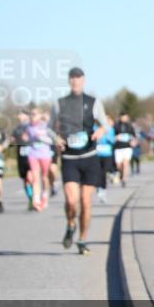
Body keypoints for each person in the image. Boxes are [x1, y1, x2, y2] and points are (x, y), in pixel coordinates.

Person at [50, 67, 109, 255]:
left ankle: (82, 239)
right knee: (71, 200)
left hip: (89, 157)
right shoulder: (60, 103)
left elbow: (105, 124)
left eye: (79, 78)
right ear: (69, 81)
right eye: (72, 78)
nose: (75, 81)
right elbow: (49, 128)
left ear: (84, 80)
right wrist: (56, 139)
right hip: (69, 158)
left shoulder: (93, 102)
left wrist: (101, 131)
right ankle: (70, 224)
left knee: (86, 201)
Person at [25, 107, 57, 211]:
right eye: (31, 114)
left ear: (39, 115)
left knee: (44, 177)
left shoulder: (46, 126)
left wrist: (42, 138)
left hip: (44, 154)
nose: (32, 116)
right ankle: (36, 200)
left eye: (34, 114)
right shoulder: (28, 127)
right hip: (33, 154)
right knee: (35, 178)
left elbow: (53, 140)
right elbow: (26, 138)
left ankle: (45, 195)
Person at [10, 110, 35, 210]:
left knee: (30, 178)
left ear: (26, 115)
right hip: (21, 157)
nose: (19, 116)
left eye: (21, 114)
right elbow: (12, 141)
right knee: (25, 180)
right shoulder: (17, 129)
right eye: (18, 114)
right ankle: (30, 198)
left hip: (31, 156)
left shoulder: (31, 126)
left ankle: (34, 198)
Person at [113, 113, 137, 187]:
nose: (124, 119)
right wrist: (115, 137)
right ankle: (121, 174)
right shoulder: (116, 126)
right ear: (120, 117)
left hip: (127, 147)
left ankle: (124, 179)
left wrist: (134, 142)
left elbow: (134, 136)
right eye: (123, 117)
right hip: (118, 148)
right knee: (118, 165)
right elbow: (112, 135)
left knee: (125, 163)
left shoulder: (130, 126)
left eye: (126, 117)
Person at [95, 120, 116, 203]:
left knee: (104, 171)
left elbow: (112, 140)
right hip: (96, 153)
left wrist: (105, 135)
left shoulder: (110, 129)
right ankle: (100, 189)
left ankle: (103, 188)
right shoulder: (94, 128)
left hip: (107, 153)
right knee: (99, 172)